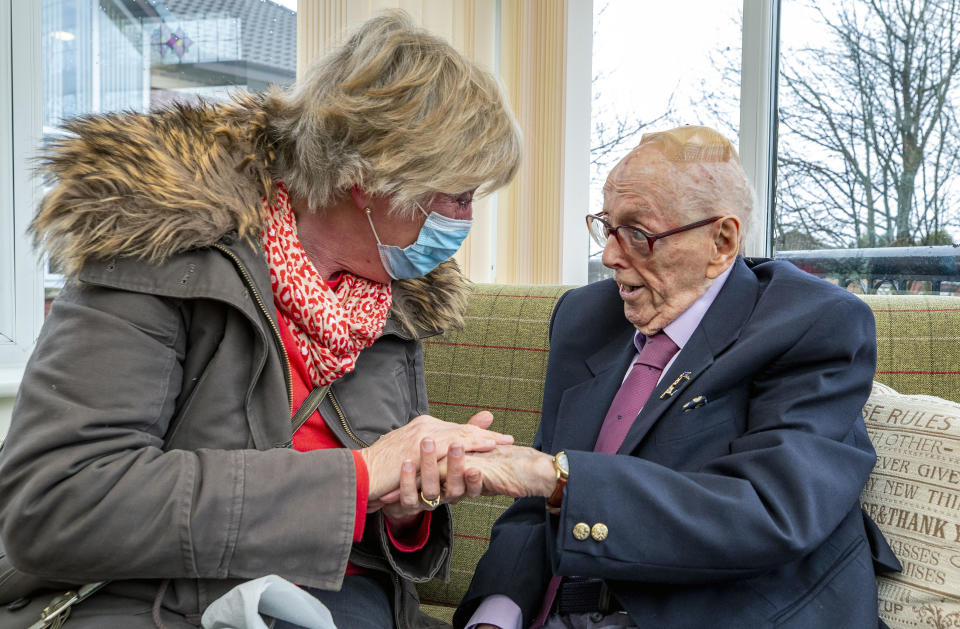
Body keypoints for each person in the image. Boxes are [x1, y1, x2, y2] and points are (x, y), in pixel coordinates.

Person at [0, 11, 521, 629]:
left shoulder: (390, 302)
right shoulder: (164, 253)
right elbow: (58, 503)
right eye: (456, 196)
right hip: (166, 606)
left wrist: (407, 502)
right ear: (368, 177)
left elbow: (366, 529)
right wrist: (356, 477)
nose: (463, 221)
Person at [454, 126, 900, 629]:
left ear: (721, 241)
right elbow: (535, 510)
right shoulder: (585, 317)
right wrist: (495, 615)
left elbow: (769, 510)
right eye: (607, 227)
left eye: (639, 234)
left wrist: (556, 478)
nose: (610, 257)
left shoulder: (813, 323)